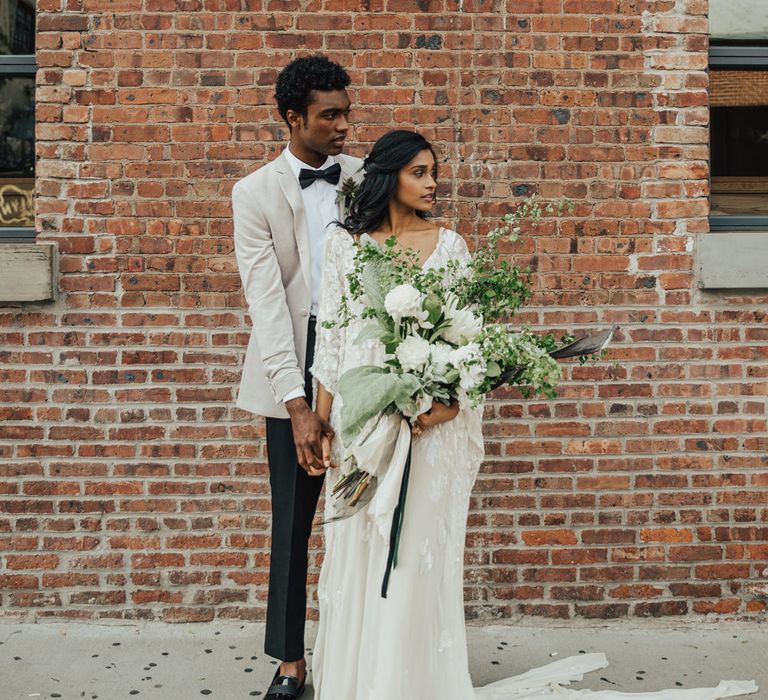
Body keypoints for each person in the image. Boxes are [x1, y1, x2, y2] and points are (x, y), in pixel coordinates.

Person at [309, 130, 758, 699]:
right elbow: (332, 338)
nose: (432, 183)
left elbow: (467, 339)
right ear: (388, 175)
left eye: (433, 172)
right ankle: (358, 683)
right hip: (363, 421)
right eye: (419, 172)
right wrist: (322, 420)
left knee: (417, 553)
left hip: (431, 427)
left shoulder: (451, 246)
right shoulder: (344, 246)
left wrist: (446, 405)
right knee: (361, 550)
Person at [232, 55, 363, 700]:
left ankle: (364, 650)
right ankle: (290, 665)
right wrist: (297, 403)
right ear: (293, 119)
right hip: (291, 351)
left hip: (365, 351)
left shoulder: (368, 179)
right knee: (293, 519)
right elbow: (265, 305)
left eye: (346, 112)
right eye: (329, 115)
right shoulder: (254, 193)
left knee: (368, 505)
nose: (344, 126)